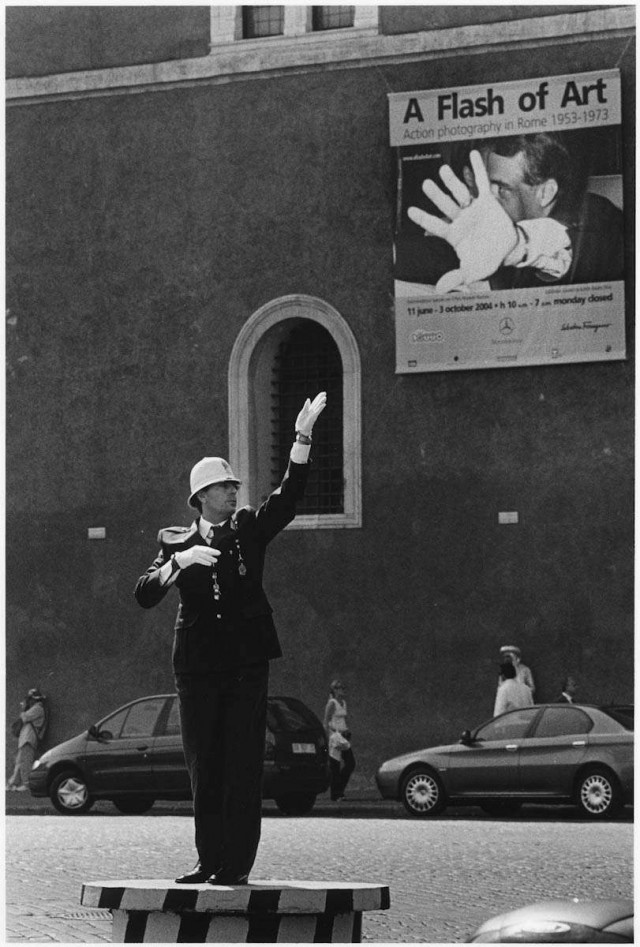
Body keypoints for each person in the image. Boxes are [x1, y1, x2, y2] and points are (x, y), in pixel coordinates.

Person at [134, 392, 327, 885]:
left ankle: (235, 865)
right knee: (204, 764)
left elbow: (287, 498)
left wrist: (302, 438)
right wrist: (177, 564)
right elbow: (144, 593)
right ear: (201, 497)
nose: (234, 491)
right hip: (196, 665)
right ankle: (208, 859)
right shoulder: (174, 540)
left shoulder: (248, 528)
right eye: (224, 487)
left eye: (235, 485)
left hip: (245, 662)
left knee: (242, 763)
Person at [407, 133, 623, 294]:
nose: (489, 200)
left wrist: (520, 245)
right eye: (488, 186)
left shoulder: (599, 219)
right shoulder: (504, 231)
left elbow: (562, 244)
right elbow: (441, 255)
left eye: (502, 188)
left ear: (545, 192)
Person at [6, 688, 47, 791]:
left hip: (29, 739)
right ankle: (13, 783)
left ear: (33, 699)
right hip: (25, 739)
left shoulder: (38, 708)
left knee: (26, 762)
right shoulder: (34, 708)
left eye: (30, 699)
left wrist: (24, 707)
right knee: (19, 762)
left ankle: (27, 784)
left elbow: (24, 717)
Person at [323, 679, 355, 801]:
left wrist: (346, 730)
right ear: (335, 690)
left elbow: (342, 719)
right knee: (335, 765)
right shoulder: (332, 703)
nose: (343, 690)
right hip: (335, 737)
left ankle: (339, 788)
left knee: (350, 763)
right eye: (340, 688)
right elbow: (326, 721)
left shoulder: (343, 703)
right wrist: (326, 737)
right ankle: (336, 794)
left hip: (343, 736)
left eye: (343, 688)